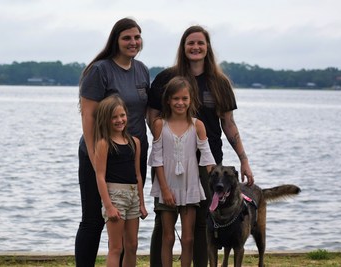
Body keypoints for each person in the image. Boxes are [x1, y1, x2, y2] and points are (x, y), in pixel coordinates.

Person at [147, 25, 254, 267]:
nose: (195, 47)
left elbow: (229, 123)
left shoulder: (220, 82)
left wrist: (243, 160)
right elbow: (152, 117)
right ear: (183, 47)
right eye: (190, 43)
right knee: (163, 221)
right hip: (169, 162)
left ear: (207, 48)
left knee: (203, 222)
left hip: (208, 165)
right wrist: (171, 144)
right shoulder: (166, 78)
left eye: (200, 43)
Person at [75, 17, 150, 267]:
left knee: (125, 225)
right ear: (116, 41)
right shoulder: (100, 70)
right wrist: (95, 153)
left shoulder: (142, 70)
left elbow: (145, 113)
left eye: (136, 37)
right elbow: (88, 115)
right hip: (102, 156)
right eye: (127, 37)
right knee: (94, 220)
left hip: (133, 156)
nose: (133, 42)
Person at [148, 76, 216, 267]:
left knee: (188, 239)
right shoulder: (160, 124)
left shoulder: (197, 125)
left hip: (190, 186)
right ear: (168, 100)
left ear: (191, 100)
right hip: (166, 185)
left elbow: (208, 158)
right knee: (167, 237)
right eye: (176, 98)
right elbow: (157, 160)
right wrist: (165, 189)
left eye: (184, 98)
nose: (180, 103)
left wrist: (219, 183)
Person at [93, 95, 148, 267]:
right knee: (116, 247)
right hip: (115, 196)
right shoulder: (104, 143)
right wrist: (108, 206)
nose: (119, 120)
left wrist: (142, 203)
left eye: (122, 115)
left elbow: (137, 174)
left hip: (133, 196)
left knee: (132, 245)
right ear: (106, 120)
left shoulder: (135, 142)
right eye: (114, 117)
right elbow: (100, 176)